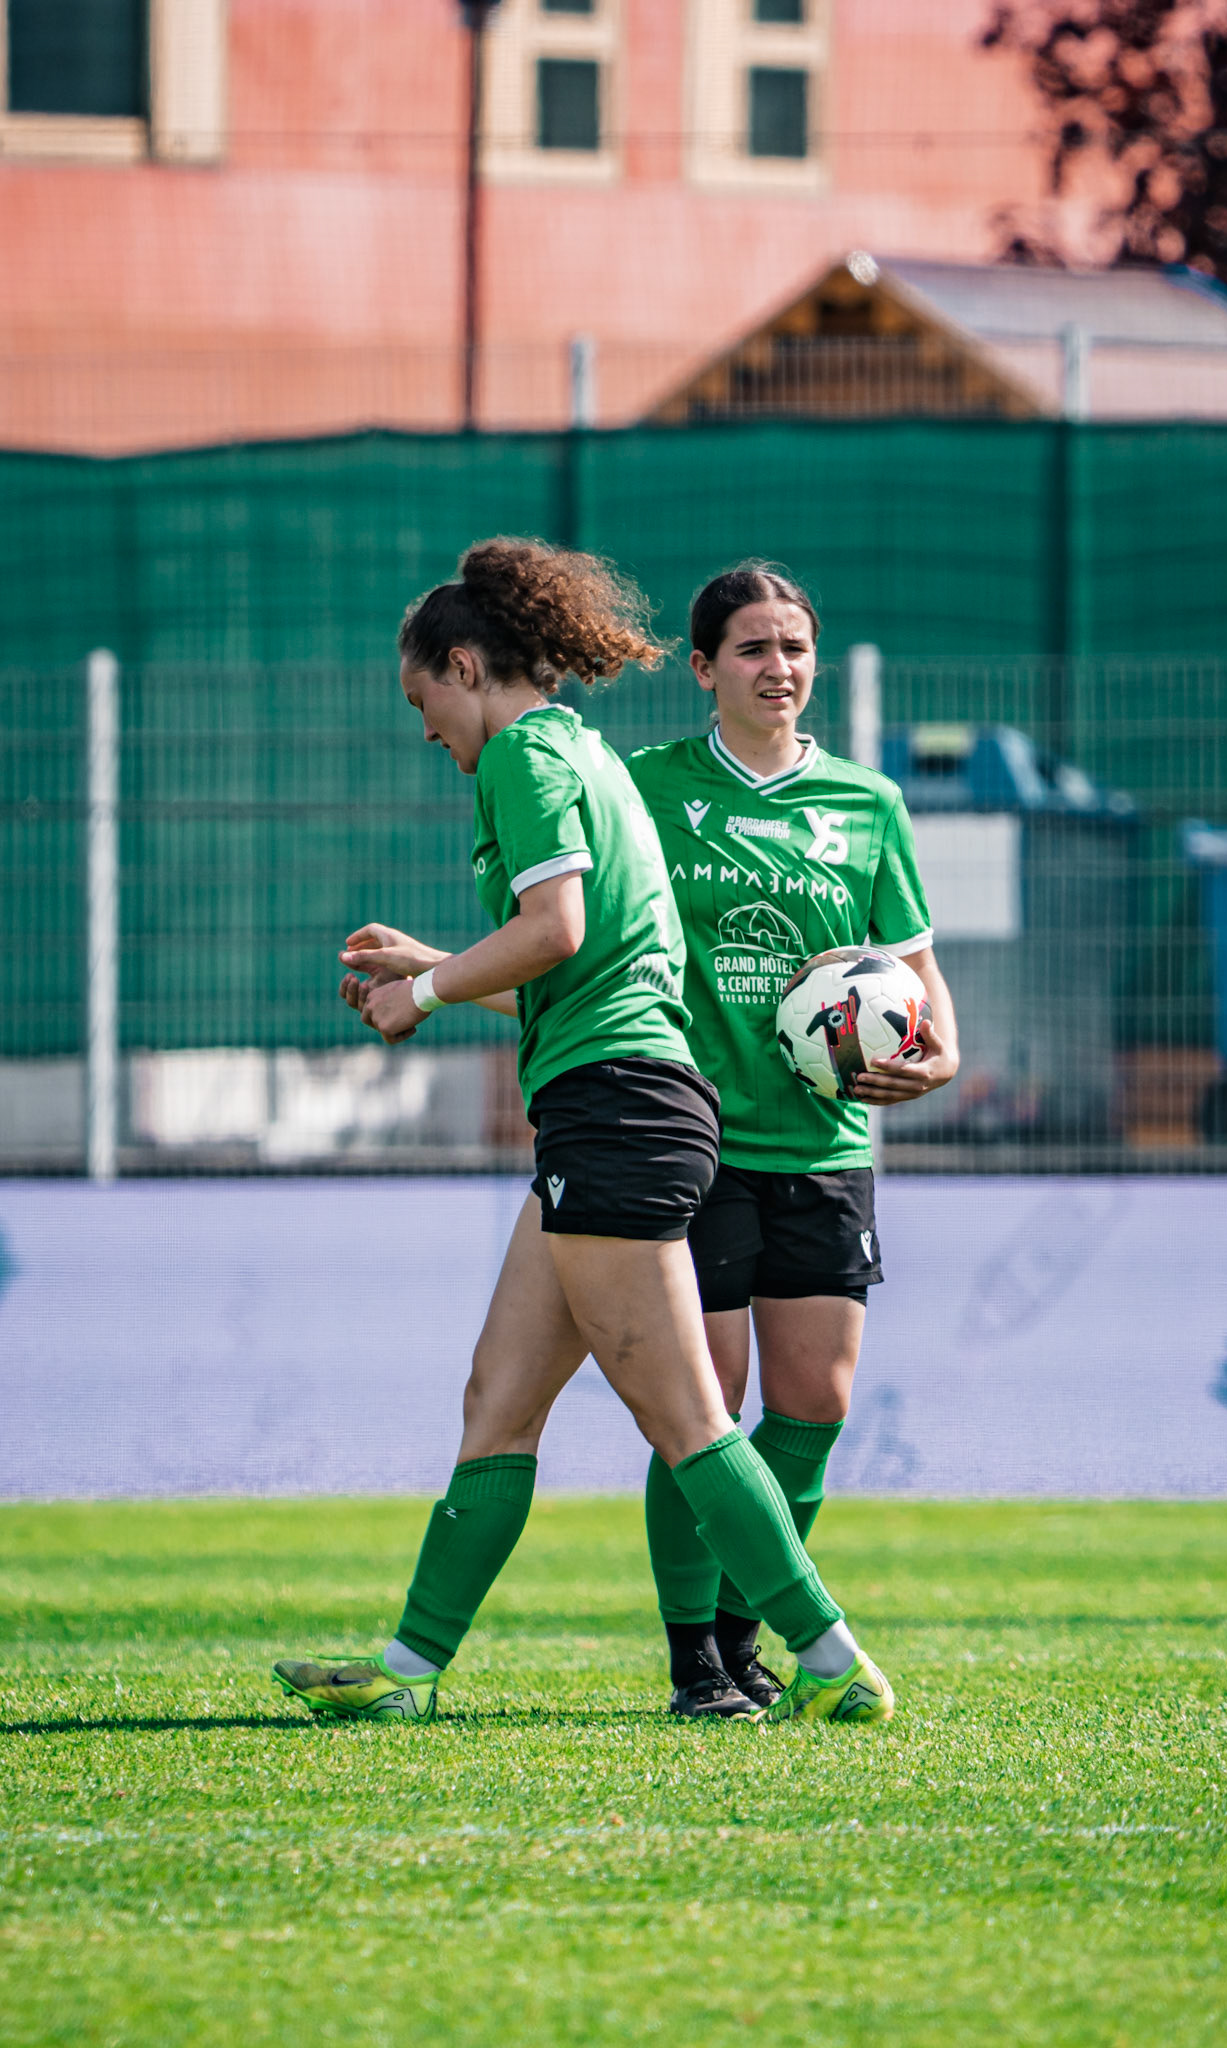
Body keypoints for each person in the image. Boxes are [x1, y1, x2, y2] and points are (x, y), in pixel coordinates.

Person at [271, 538, 895, 1728]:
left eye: (425, 698)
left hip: (615, 1111)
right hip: (619, 1103)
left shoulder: (519, 753)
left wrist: (427, 993)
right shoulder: (582, 754)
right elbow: (596, 956)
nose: (426, 728)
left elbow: (554, 927)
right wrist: (440, 961)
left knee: (688, 1418)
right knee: (496, 1397)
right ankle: (407, 1675)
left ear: (466, 663)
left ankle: (829, 1661)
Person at [626, 563, 959, 1717]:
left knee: (813, 1404)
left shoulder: (868, 803)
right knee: (703, 1409)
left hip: (827, 1143)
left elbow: (916, 976)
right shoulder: (647, 788)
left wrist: (937, 1059)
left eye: (797, 648)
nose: (781, 669)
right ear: (705, 664)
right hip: (697, 1136)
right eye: (755, 648)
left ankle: (742, 1627)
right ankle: (692, 1660)